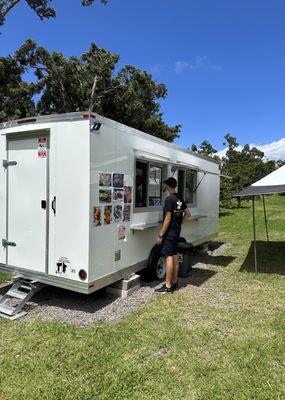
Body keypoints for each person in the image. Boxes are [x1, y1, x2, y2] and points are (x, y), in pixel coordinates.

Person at [155, 177, 191, 294]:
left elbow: (168, 218)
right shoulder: (179, 198)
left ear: (167, 186)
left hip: (169, 233)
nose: (164, 187)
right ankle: (175, 282)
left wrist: (161, 235)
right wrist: (179, 223)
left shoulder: (169, 199)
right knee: (175, 256)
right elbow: (188, 214)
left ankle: (167, 285)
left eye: (165, 185)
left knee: (169, 257)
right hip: (176, 232)